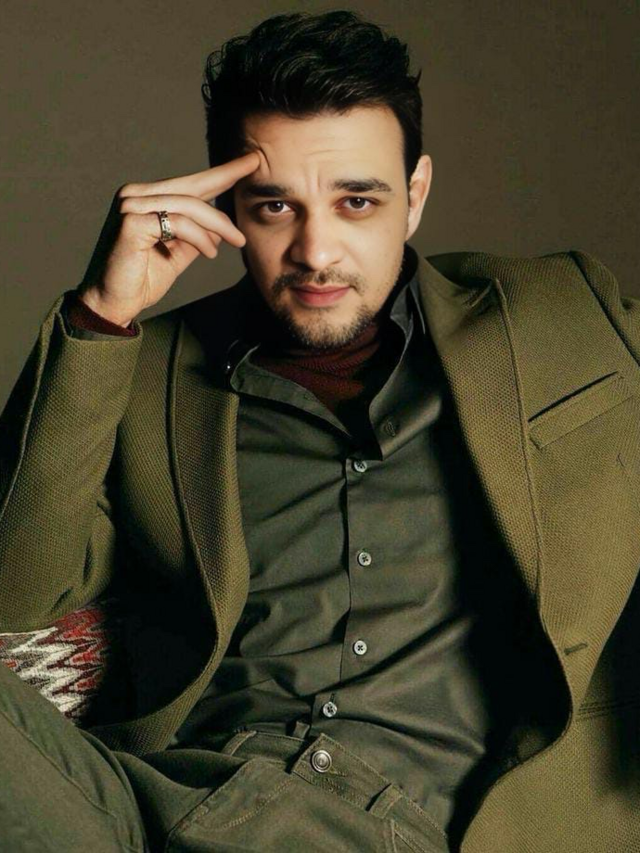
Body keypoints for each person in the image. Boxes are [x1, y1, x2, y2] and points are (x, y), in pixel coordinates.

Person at [0, 9, 639, 853]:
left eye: (356, 201)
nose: (316, 250)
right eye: (275, 206)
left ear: (414, 197)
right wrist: (101, 315)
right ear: (228, 208)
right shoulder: (144, 372)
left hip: (421, 828)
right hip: (161, 809)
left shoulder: (561, 314)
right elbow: (15, 590)